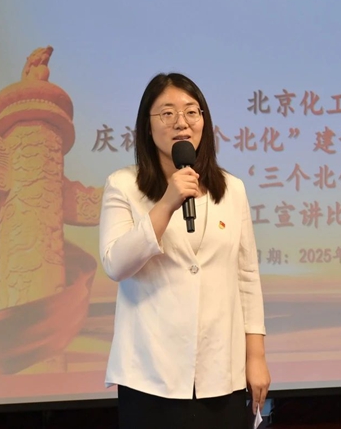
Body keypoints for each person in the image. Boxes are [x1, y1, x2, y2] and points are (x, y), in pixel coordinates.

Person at [99, 72, 270, 429]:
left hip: (220, 371)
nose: (182, 122)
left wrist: (256, 357)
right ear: (147, 126)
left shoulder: (232, 189)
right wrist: (166, 203)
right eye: (167, 113)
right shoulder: (124, 185)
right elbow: (116, 264)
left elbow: (246, 276)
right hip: (149, 373)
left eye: (192, 112)